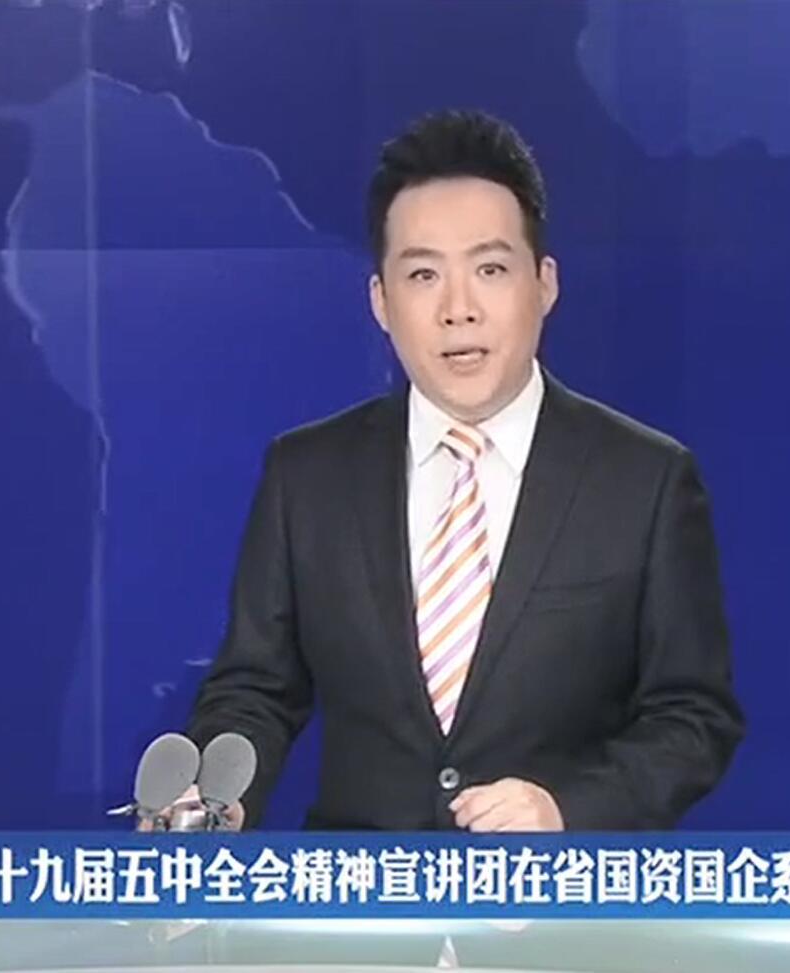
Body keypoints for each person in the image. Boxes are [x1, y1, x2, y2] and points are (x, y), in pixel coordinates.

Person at [183, 109, 744, 831]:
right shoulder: (307, 476)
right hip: (364, 893)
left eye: (490, 270)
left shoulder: (647, 481)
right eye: (423, 275)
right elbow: (255, 690)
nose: (458, 310)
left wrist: (566, 807)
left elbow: (693, 717)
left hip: (553, 895)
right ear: (381, 302)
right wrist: (216, 798)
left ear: (544, 284)